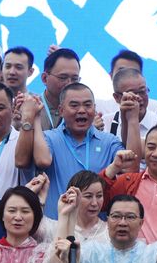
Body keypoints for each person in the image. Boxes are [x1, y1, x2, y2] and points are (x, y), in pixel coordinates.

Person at [15, 82, 125, 217]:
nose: (82, 110)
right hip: (57, 225)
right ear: (61, 110)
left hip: (95, 226)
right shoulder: (49, 138)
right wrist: (35, 118)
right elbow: (43, 161)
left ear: (95, 108)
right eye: (74, 105)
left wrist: (129, 118)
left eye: (87, 105)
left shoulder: (109, 141)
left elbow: (131, 167)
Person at [34, 48, 81, 132]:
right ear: (44, 78)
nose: (69, 84)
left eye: (74, 79)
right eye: (63, 78)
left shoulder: (83, 111)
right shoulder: (31, 108)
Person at [63, 170, 109, 244]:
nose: (94, 203)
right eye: (88, 196)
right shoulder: (59, 228)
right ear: (73, 196)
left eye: (99, 196)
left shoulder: (110, 231)